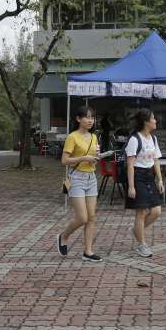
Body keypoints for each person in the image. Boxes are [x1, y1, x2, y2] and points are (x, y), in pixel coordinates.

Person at [55, 106, 103, 263]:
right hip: (76, 179)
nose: (90, 120)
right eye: (87, 117)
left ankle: (88, 252)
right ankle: (63, 236)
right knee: (82, 217)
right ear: (78, 119)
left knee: (92, 217)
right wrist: (83, 158)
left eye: (92, 117)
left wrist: (96, 156)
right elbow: (64, 160)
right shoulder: (72, 137)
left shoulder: (94, 137)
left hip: (91, 178)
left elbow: (93, 156)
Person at [125, 108, 164, 258]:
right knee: (140, 212)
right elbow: (130, 165)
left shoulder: (153, 139)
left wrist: (160, 180)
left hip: (150, 176)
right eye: (153, 118)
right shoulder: (135, 140)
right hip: (137, 176)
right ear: (146, 122)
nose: (156, 121)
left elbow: (156, 160)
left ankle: (136, 230)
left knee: (156, 211)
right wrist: (131, 186)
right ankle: (141, 245)